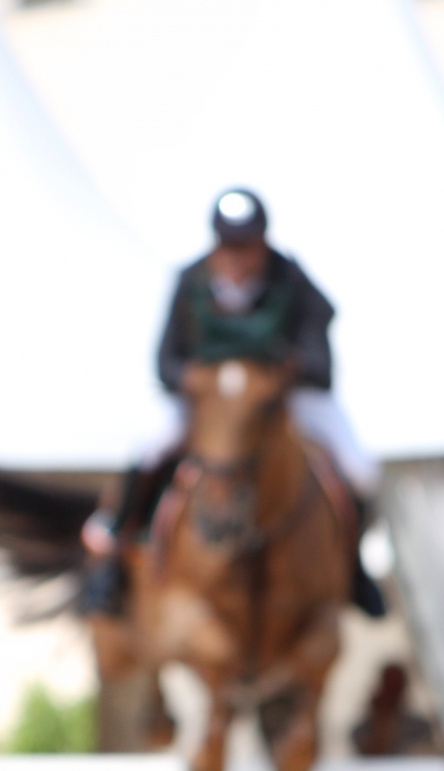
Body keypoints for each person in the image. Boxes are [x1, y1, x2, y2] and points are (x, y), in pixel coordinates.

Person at [84, 188, 383, 616]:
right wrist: (197, 380)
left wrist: (281, 373)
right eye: (228, 247)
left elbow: (322, 365)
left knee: (361, 469)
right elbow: (165, 362)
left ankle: (354, 569)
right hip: (208, 401)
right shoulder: (192, 280)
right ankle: (114, 556)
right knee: (149, 447)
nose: (237, 258)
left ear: (264, 243)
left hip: (277, 401)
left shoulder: (291, 279)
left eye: (246, 247)